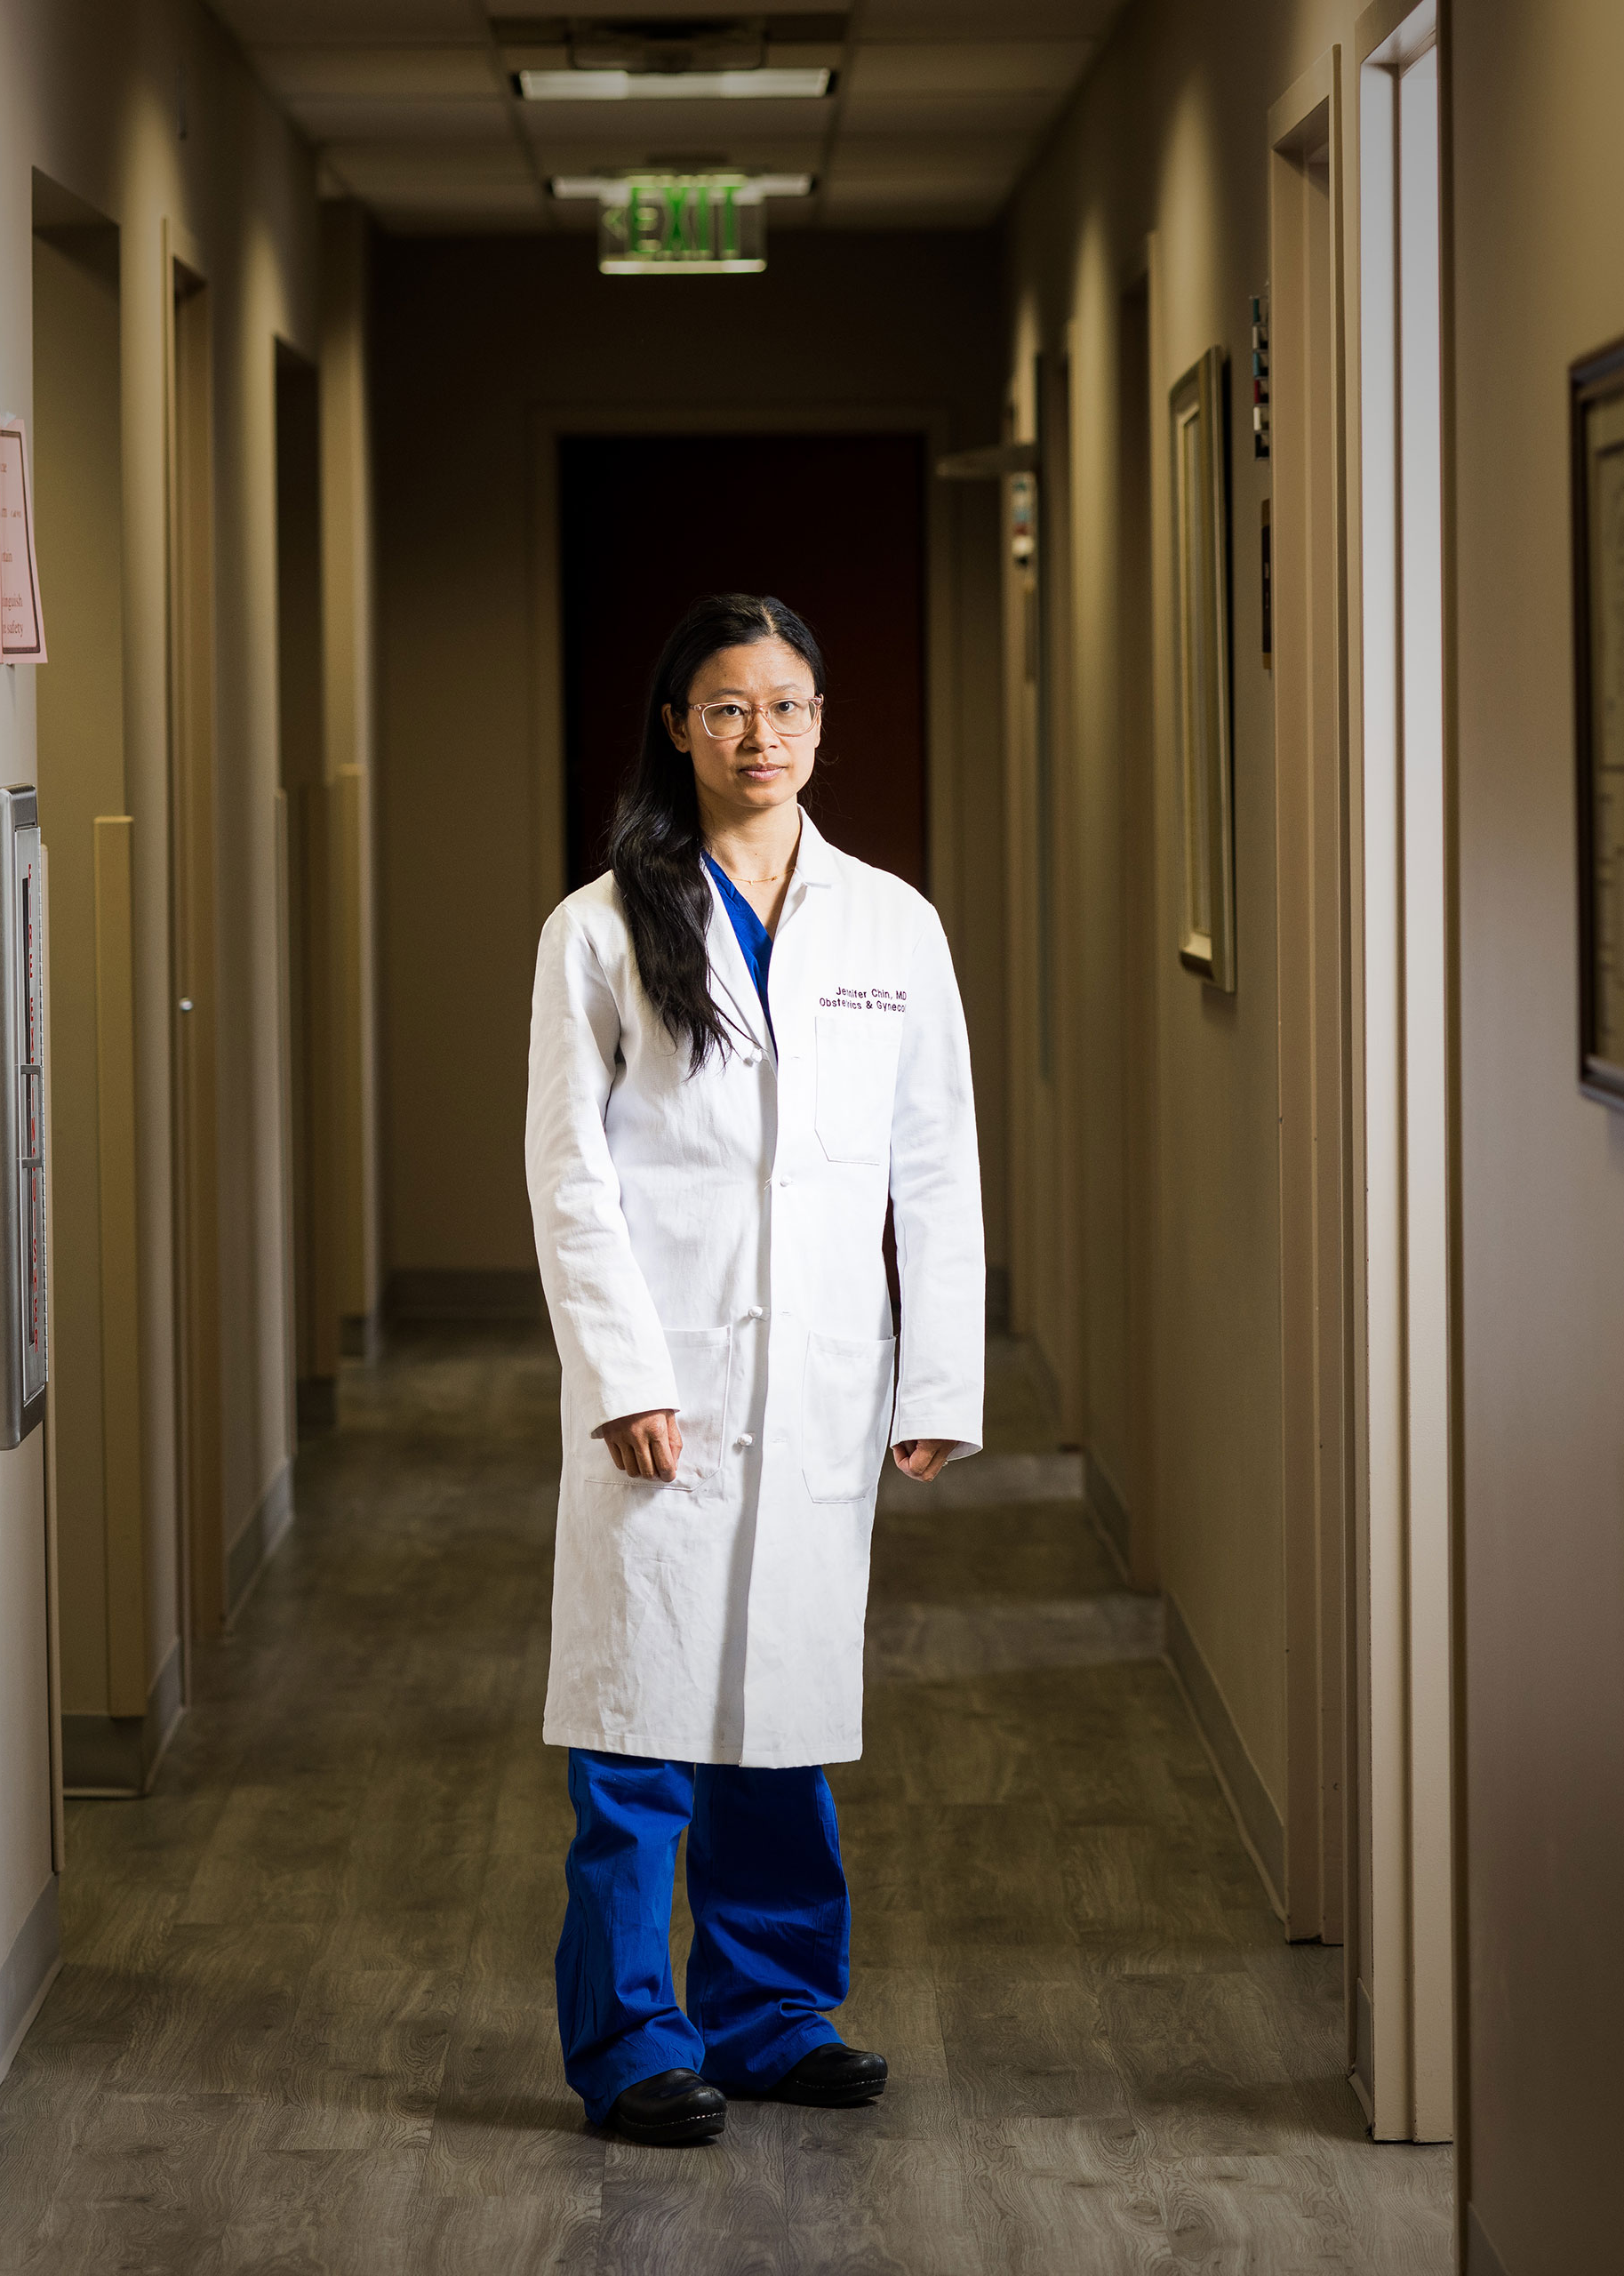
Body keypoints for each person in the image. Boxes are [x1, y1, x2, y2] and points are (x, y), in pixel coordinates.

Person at [523, 591, 985, 2146]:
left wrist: (936, 1383)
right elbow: (569, 1174)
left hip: (820, 1389)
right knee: (641, 1721)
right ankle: (633, 2041)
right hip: (665, 1382)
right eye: (727, 709)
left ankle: (775, 2014)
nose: (760, 737)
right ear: (677, 728)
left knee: (779, 1712)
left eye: (787, 707)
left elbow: (936, 1167)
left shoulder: (891, 925)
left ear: (821, 723)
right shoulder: (596, 928)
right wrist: (622, 1375)